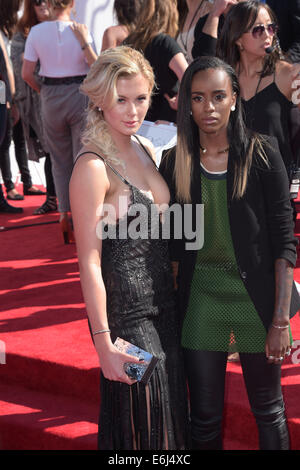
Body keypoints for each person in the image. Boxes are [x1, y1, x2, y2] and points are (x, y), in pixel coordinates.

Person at [159, 56, 300, 450]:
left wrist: (279, 320)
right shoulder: (175, 163)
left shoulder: (262, 154)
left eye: (219, 96)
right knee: (203, 418)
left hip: (254, 300)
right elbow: (173, 249)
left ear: (235, 99)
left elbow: (285, 243)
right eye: (199, 98)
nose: (209, 107)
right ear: (187, 103)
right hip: (201, 297)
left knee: (268, 409)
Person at [69, 46, 189, 450]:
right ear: (100, 99)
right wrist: (104, 345)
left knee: (170, 423)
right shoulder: (92, 167)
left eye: (140, 98)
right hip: (127, 319)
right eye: (121, 99)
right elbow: (89, 261)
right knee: (146, 427)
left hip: (165, 309)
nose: (132, 110)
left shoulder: (144, 148)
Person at [22, 0, 96, 243]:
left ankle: (64, 214)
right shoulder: (81, 29)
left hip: (51, 95)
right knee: (81, 159)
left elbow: (26, 74)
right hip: (79, 93)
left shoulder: (36, 32)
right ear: (71, 3)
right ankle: (83, 216)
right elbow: (95, 67)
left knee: (59, 161)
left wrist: (44, 92)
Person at [216, 1, 300, 176]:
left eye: (271, 28)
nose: (267, 35)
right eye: (258, 30)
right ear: (238, 38)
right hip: (233, 178)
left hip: (277, 181)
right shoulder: (222, 79)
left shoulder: (287, 75)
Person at [11, 0, 58, 215]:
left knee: (67, 152)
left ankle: (69, 198)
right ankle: (52, 198)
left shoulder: (62, 27)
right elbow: (22, 69)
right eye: (37, 1)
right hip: (38, 100)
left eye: (47, 0)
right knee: (50, 150)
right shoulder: (23, 34)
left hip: (63, 97)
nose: (43, 5)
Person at [0, 0, 45, 201]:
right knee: (6, 139)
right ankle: (9, 186)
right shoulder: (9, 32)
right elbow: (8, 69)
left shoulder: (11, 31)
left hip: (16, 93)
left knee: (19, 138)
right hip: (6, 93)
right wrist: (11, 98)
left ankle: (26, 182)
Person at [125, 0, 188, 123]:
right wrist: (181, 100)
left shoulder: (129, 41)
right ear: (170, 13)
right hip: (165, 122)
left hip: (136, 118)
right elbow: (187, 74)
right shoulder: (165, 43)